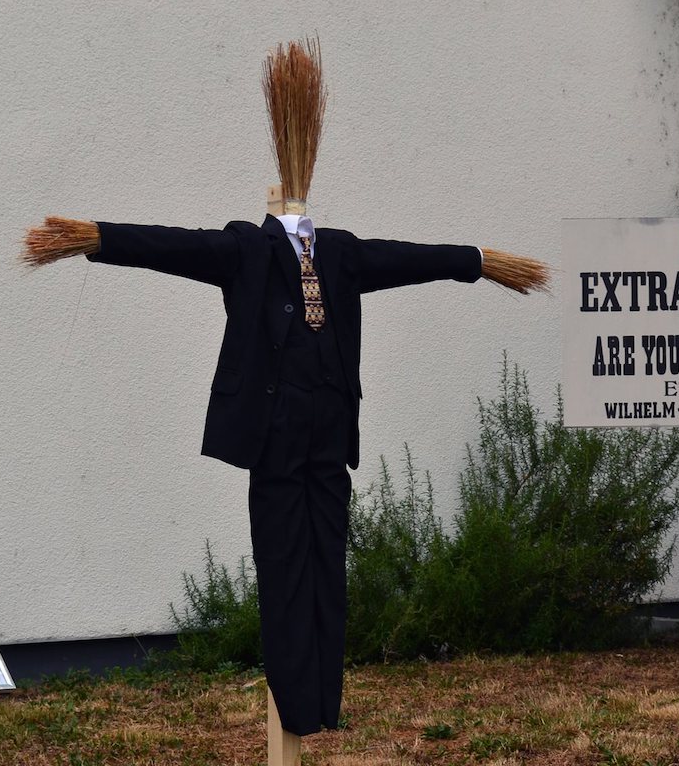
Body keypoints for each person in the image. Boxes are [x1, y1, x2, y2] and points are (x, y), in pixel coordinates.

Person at [86, 210, 482, 735]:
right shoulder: (248, 248)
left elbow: (406, 259)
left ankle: (324, 705)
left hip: (331, 435)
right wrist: (100, 238)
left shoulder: (338, 251)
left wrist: (476, 261)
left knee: (328, 568)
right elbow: (173, 247)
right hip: (277, 435)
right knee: (284, 563)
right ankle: (297, 708)